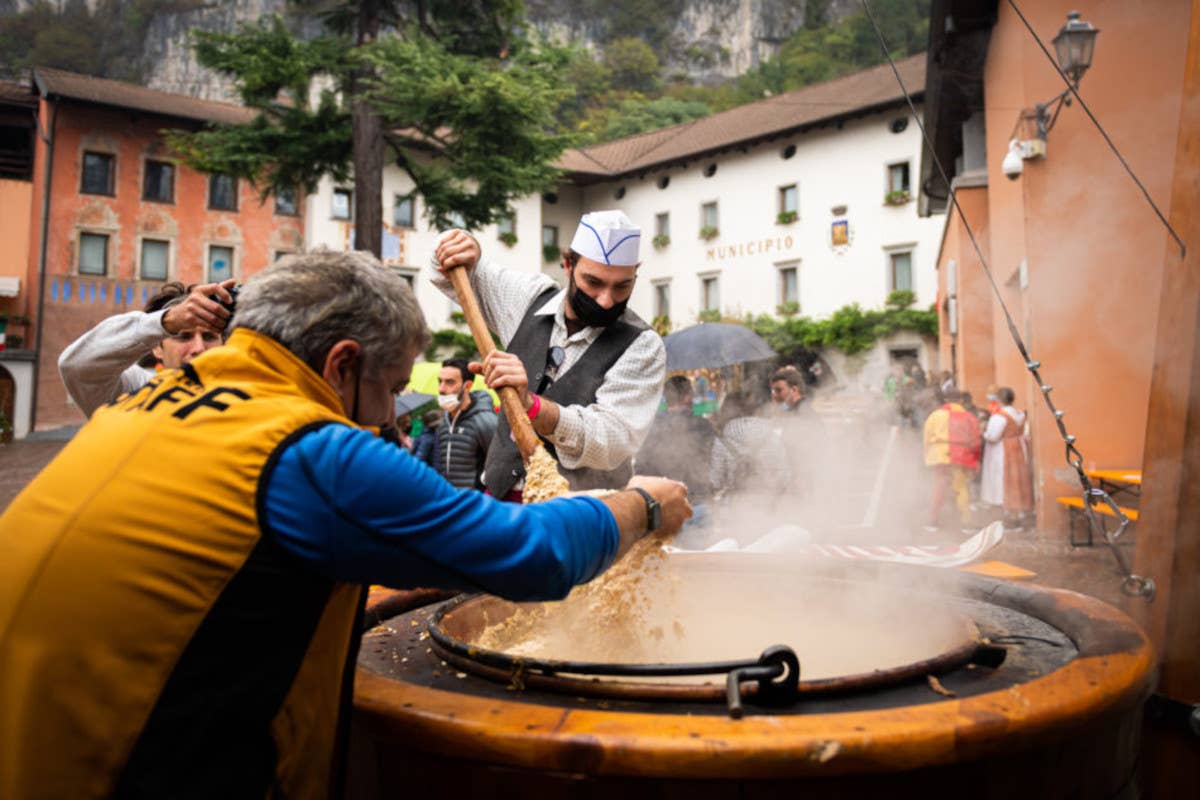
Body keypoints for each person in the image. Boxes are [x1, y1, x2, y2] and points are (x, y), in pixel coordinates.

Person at [0, 250, 691, 799]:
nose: (391, 413)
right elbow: (528, 554)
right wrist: (643, 505)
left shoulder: (167, 397)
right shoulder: (306, 448)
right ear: (341, 364)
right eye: (390, 387)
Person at [431, 210, 666, 501]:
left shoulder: (642, 345)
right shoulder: (528, 298)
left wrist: (532, 406)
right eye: (593, 282)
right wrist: (462, 244)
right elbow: (445, 270)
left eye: (622, 286)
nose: (606, 300)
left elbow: (612, 440)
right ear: (568, 265)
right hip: (502, 499)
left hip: (583, 513)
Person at [58, 278, 238, 417]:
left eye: (209, 337)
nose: (199, 348)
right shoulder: (137, 390)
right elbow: (76, 365)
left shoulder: (240, 398)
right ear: (157, 348)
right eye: (183, 337)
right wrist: (168, 320)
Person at [635, 375, 715, 501]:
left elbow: (640, 467)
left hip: (663, 502)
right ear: (688, 396)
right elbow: (716, 462)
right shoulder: (703, 426)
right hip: (698, 499)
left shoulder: (650, 428)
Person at [431, 356, 498, 490]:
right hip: (450, 501)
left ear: (467, 386)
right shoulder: (444, 421)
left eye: (449, 382)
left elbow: (498, 466)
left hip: (476, 503)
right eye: (440, 381)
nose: (441, 389)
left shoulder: (485, 421)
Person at [710, 391, 790, 498]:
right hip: (767, 503)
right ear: (755, 409)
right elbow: (784, 477)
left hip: (735, 506)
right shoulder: (773, 437)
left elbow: (716, 481)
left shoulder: (721, 442)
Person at [923, 389, 982, 531]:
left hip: (938, 455)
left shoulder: (934, 416)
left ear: (945, 400)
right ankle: (966, 522)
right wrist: (975, 461)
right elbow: (975, 441)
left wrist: (927, 456)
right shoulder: (969, 417)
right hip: (960, 455)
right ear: (961, 400)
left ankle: (933, 521)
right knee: (961, 488)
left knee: (938, 487)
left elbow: (926, 439)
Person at [980, 386, 1034, 529]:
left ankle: (1008, 513)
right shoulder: (1020, 414)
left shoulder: (999, 417)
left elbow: (992, 436)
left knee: (1004, 480)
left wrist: (983, 432)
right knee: (1018, 479)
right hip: (1019, 449)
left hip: (1002, 450)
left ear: (999, 400)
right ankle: (1019, 511)